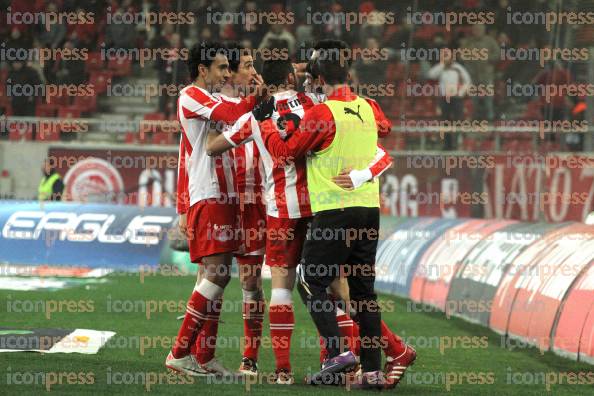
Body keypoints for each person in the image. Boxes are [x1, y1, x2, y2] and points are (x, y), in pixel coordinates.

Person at [206, 57, 393, 384]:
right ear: (295, 76)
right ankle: (362, 360)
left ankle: (283, 371)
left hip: (281, 210)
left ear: (265, 76)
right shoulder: (314, 105)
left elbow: (213, 148)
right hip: (320, 205)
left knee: (283, 288)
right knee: (340, 288)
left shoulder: (257, 113)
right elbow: (374, 124)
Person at [261, 39, 392, 389]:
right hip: (370, 209)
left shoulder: (321, 114)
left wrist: (264, 126)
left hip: (335, 210)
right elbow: (385, 136)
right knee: (365, 293)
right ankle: (374, 372)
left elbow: (288, 151)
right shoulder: (368, 107)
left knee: (310, 281)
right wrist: (363, 173)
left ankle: (337, 354)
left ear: (317, 80)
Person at [166, 41, 261, 377]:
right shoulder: (190, 95)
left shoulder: (216, 98)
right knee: (216, 274)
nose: (226, 72)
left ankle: (204, 357)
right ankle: (179, 352)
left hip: (227, 196)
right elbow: (232, 116)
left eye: (227, 67)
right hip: (207, 193)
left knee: (218, 277)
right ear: (202, 70)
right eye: (221, 67)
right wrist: (259, 102)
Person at [426, 51, 472, 150]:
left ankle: (457, 143)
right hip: (444, 98)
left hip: (456, 98)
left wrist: (461, 93)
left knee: (457, 121)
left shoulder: (458, 68)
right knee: (445, 122)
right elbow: (430, 75)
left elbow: (467, 81)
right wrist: (442, 65)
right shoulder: (441, 68)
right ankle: (447, 145)